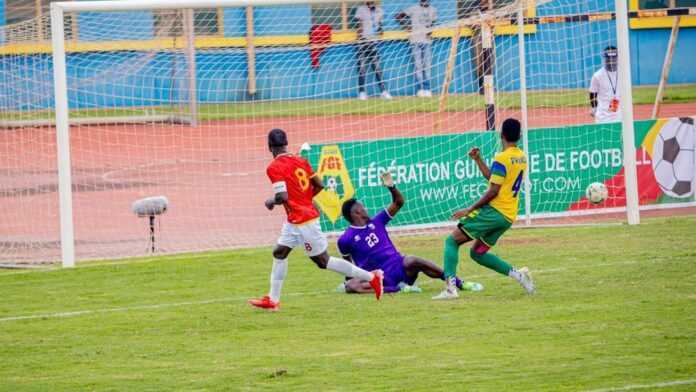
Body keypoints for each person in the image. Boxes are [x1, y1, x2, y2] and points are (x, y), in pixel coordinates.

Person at [248, 129, 384, 311]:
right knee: (279, 253)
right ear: (286, 142)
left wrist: (271, 201)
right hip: (294, 219)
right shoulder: (301, 160)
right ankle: (273, 300)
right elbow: (319, 185)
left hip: (305, 221)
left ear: (269, 147)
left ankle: (372, 278)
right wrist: (305, 199)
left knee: (323, 261)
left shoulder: (274, 167)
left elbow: (282, 196)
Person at [433, 118, 535, 300]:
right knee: (477, 253)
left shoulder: (502, 158)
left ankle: (450, 289)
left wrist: (469, 209)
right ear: (519, 136)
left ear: (501, 135)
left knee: (451, 241)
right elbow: (494, 179)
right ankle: (519, 275)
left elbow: (494, 191)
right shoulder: (521, 156)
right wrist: (478, 160)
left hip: (494, 212)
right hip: (508, 216)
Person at [338, 171, 481, 294]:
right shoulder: (345, 239)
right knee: (350, 286)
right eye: (363, 207)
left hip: (399, 267)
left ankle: (459, 283)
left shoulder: (377, 221)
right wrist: (349, 282)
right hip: (377, 277)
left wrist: (392, 188)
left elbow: (398, 202)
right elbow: (347, 266)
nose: (366, 209)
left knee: (413, 259)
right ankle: (399, 289)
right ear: (356, 212)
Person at [396, 0, 437, 97]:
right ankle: (420, 89)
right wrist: (407, 27)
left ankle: (427, 89)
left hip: (427, 41)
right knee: (418, 66)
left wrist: (430, 30)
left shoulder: (433, 10)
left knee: (427, 66)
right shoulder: (413, 8)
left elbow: (432, 23)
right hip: (415, 40)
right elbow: (398, 16)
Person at [354, 1, 392, 101]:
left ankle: (383, 91)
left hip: (373, 43)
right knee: (362, 68)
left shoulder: (379, 11)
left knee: (377, 68)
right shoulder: (361, 9)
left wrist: (380, 29)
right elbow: (358, 25)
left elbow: (379, 26)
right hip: (363, 41)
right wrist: (360, 38)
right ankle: (362, 92)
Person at [589, 46, 621, 124]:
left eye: (614, 57)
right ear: (605, 58)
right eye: (609, 58)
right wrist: (594, 108)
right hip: (602, 118)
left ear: (617, 57)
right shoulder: (597, 75)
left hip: (620, 116)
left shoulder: (624, 72)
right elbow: (593, 93)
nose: (611, 60)